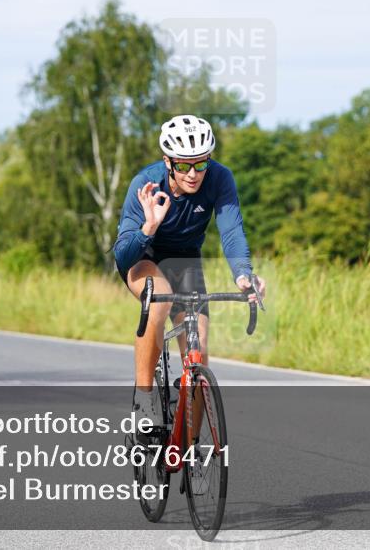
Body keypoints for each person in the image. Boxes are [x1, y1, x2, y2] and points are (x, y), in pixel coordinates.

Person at [114, 115, 266, 431]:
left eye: (201, 163)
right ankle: (144, 398)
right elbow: (122, 254)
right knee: (159, 301)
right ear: (168, 162)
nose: (193, 174)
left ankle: (189, 446)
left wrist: (243, 275)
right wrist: (149, 227)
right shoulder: (145, 184)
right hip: (144, 257)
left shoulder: (220, 178)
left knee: (199, 351)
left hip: (185, 261)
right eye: (183, 165)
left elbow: (232, 231)